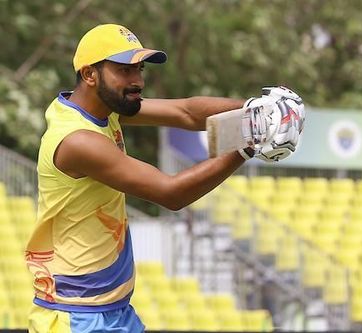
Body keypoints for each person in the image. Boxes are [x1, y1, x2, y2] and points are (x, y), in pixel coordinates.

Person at [25, 23, 304, 332]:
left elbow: (186, 113)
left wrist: (257, 110)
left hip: (113, 310)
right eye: (125, 70)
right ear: (90, 75)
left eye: (139, 69)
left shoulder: (104, 107)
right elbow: (171, 193)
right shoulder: (78, 140)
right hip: (75, 318)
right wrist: (248, 144)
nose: (138, 81)